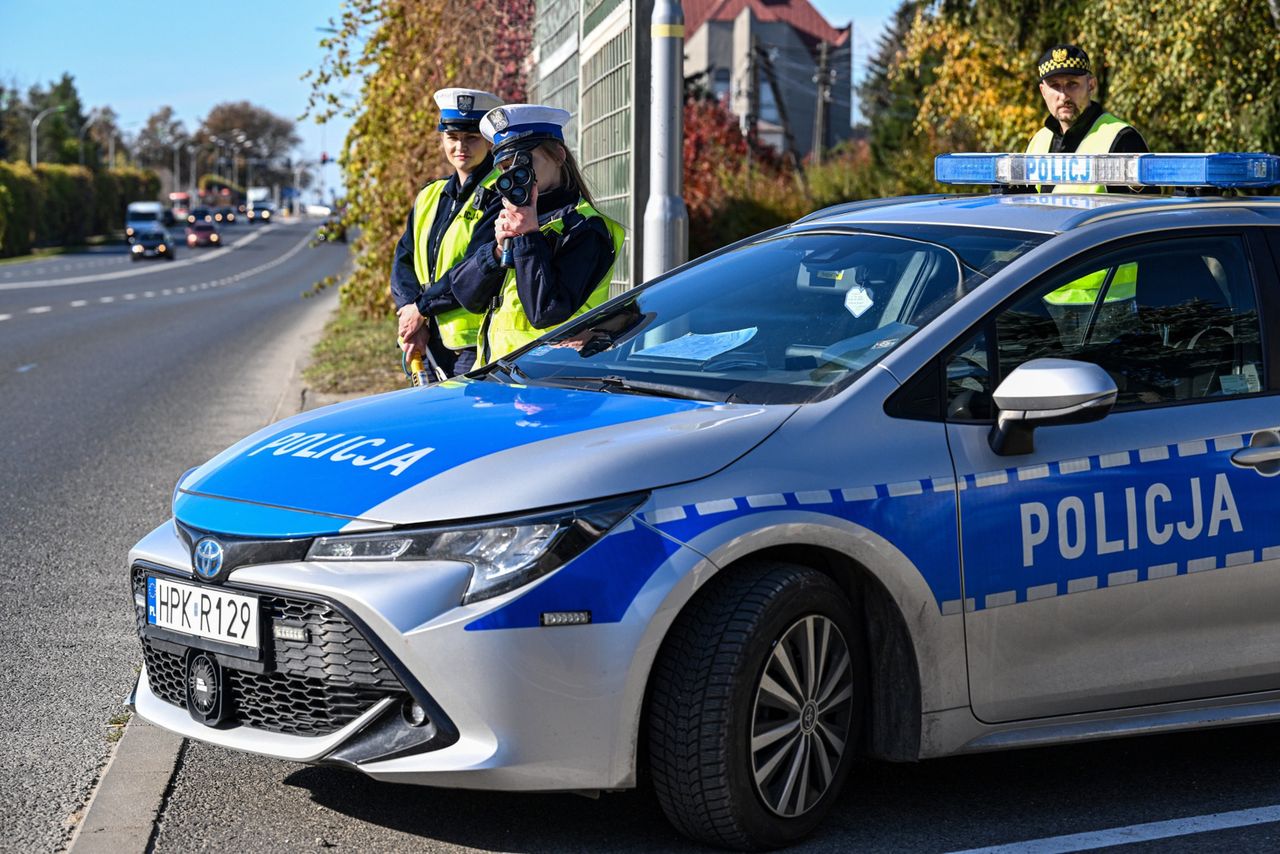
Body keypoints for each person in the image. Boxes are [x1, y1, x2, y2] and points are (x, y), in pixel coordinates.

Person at [448, 104, 625, 366]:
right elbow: (466, 295)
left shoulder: (585, 228)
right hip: (502, 375)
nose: (515, 175)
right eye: (505, 166)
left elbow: (545, 311)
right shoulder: (519, 216)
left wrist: (528, 237)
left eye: (523, 161)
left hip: (552, 379)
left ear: (558, 155)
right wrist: (496, 252)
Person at [1027, 45, 1148, 322]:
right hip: (1042, 297)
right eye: (1055, 86)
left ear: (1090, 84)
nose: (1063, 95)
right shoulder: (1038, 142)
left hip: (1107, 305)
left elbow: (1143, 229)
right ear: (1042, 91)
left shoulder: (1120, 139)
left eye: (1072, 84)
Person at [390, 87, 505, 377]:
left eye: (471, 138)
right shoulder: (430, 194)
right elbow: (404, 258)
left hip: (474, 344)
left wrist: (421, 309)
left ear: (489, 141)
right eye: (452, 138)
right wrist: (409, 312)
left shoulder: (500, 194)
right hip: (428, 336)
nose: (460, 147)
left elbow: (475, 269)